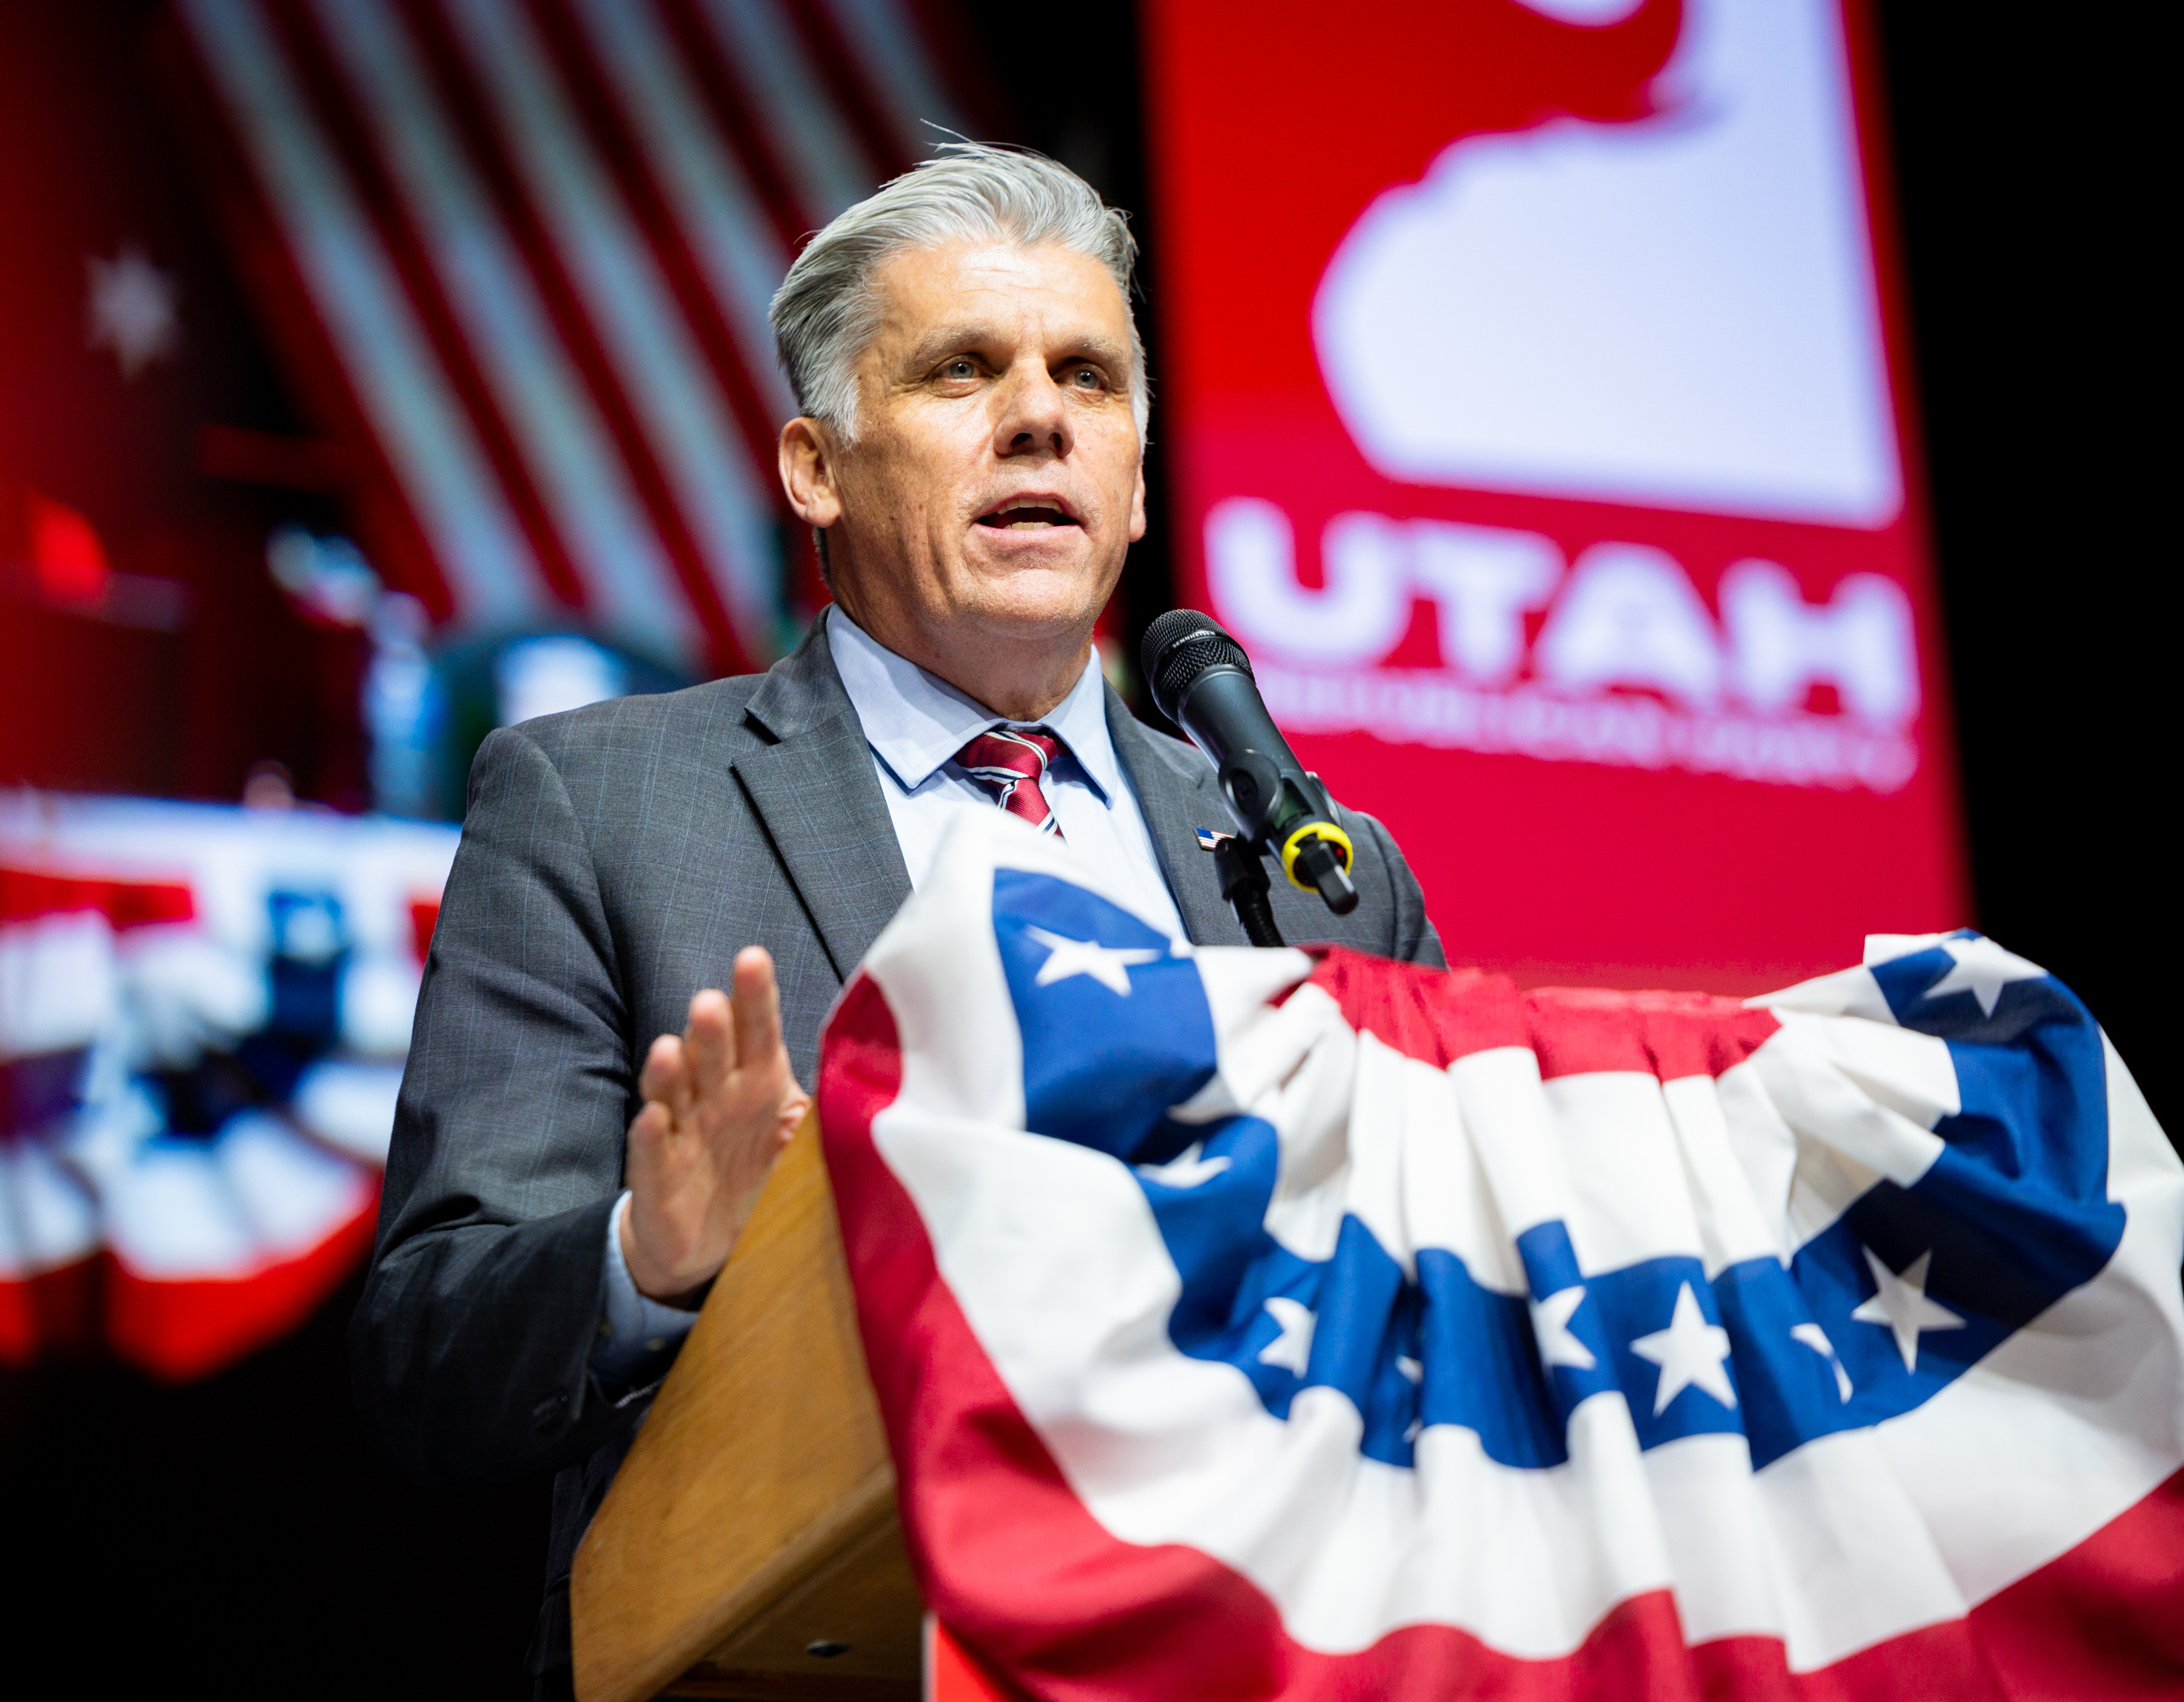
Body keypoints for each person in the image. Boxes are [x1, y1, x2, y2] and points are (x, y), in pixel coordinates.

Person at [351, 144, 1446, 1699]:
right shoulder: (600, 807)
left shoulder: (1317, 868)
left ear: (1133, 474)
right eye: (962, 370)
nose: (1040, 416)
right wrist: (645, 1264)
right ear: (816, 466)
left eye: (1089, 376)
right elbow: (424, 1352)